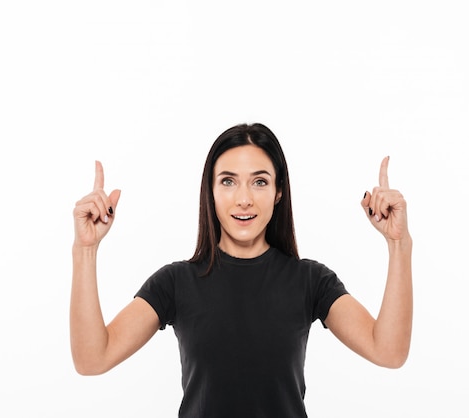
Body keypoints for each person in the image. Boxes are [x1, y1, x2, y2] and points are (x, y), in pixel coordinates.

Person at [70, 123, 413, 417]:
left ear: (279, 192)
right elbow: (92, 359)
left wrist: (399, 244)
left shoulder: (310, 281)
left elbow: (388, 351)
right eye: (229, 182)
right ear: (211, 191)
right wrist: (85, 250)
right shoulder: (176, 282)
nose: (244, 199)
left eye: (260, 182)